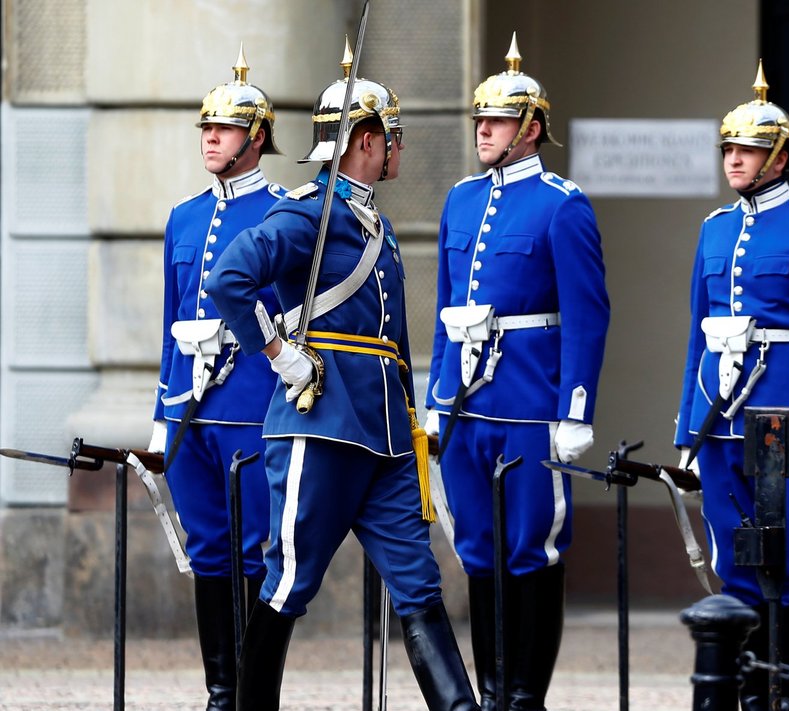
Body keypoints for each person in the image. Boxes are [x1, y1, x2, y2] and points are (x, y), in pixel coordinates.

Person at [209, 47, 478, 711]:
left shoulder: (373, 224)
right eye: (392, 138)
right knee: (288, 582)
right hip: (321, 424)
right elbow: (229, 280)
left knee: (419, 583)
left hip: (383, 439)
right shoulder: (308, 214)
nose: (398, 150)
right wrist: (279, 354)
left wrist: (414, 422)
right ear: (366, 140)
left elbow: (393, 343)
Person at [423, 33, 610, 711]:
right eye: (480, 121)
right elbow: (449, 309)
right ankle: (493, 689)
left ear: (530, 130)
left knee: (531, 548)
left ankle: (526, 694)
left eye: (497, 121)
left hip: (531, 402)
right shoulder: (461, 200)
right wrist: (437, 398)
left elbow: (588, 315)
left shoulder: (563, 204)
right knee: (477, 547)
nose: (483, 131)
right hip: (469, 404)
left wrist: (575, 409)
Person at [674, 62, 789, 711]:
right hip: (720, 418)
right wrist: (686, 432)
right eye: (729, 148)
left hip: (781, 414)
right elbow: (698, 337)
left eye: (748, 149)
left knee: (786, 566)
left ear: (779, 157)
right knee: (734, 562)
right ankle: (748, 694)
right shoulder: (714, 229)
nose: (734, 159)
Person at [149, 45, 283, 710]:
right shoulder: (184, 215)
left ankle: (252, 694)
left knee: (253, 552)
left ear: (255, 139)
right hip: (190, 412)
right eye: (205, 128)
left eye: (223, 129)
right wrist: (160, 413)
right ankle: (220, 690)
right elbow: (170, 320)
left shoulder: (286, 213)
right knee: (207, 551)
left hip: (254, 406)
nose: (210, 138)